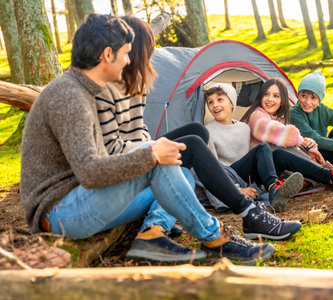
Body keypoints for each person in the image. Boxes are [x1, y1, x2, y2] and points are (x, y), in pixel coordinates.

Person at [20, 14, 276, 266]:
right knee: (161, 161)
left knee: (182, 175)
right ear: (108, 54)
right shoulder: (69, 96)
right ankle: (215, 237)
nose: (129, 60)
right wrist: (151, 154)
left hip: (79, 200)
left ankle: (152, 236)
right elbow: (89, 172)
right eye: (125, 53)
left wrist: (152, 152)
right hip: (59, 212)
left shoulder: (83, 91)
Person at [95, 17, 301, 241]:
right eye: (147, 51)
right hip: (121, 165)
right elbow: (108, 150)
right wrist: (153, 150)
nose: (149, 58)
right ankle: (249, 213)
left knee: (197, 132)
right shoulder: (105, 87)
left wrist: (151, 143)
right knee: (192, 145)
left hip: (137, 152)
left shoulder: (133, 83)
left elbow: (138, 130)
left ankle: (164, 218)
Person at [205, 83, 333, 212]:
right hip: (230, 178)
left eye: (220, 99)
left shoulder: (243, 128)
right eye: (210, 102)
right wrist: (236, 191)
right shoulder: (208, 133)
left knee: (279, 154)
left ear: (232, 102)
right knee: (263, 148)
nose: (215, 105)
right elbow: (208, 171)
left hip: (250, 176)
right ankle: (274, 188)